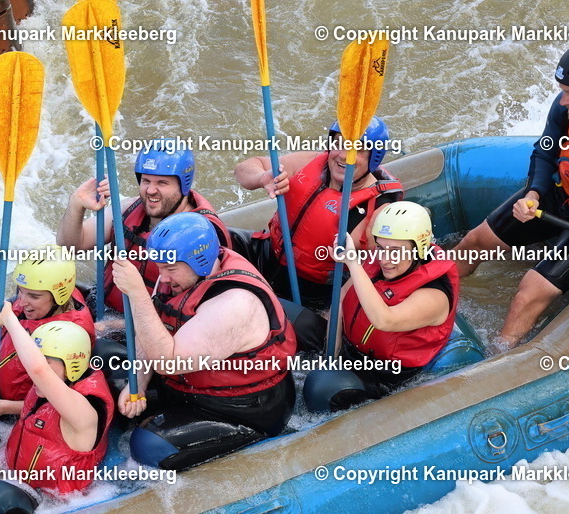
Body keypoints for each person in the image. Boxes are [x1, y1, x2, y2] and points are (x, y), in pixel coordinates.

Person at [454, 40, 569, 349]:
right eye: (563, 90)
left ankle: (498, 358)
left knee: (530, 290)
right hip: (564, 194)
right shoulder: (566, 108)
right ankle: (434, 298)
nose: (564, 101)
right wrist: (534, 193)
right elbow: (545, 152)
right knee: (475, 241)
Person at [109, 212, 297, 471]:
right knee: (111, 373)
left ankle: (252, 438)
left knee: (150, 446)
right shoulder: (178, 277)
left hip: (242, 409)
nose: (162, 277)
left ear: (199, 261)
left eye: (170, 269)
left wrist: (137, 293)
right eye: (160, 267)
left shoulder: (235, 303)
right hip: (187, 389)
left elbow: (167, 362)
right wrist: (138, 384)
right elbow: (151, 325)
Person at [302, 201, 459, 411]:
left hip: (383, 374)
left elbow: (385, 320)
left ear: (418, 249)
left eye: (396, 251)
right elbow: (341, 299)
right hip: (351, 349)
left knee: (319, 386)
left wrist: (352, 261)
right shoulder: (383, 259)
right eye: (381, 248)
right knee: (283, 317)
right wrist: (331, 353)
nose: (385, 260)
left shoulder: (434, 295)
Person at [233, 117, 403, 307]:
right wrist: (262, 177)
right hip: (267, 254)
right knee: (214, 234)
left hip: (314, 295)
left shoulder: (380, 210)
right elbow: (242, 170)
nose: (344, 156)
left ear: (374, 158)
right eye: (340, 144)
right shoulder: (313, 161)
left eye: (358, 150)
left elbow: (391, 268)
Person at [57, 140, 232, 313]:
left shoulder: (200, 234)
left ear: (183, 185)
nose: (150, 190)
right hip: (103, 306)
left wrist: (116, 327)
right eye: (146, 180)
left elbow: (189, 312)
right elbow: (70, 247)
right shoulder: (129, 208)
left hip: (145, 329)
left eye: (162, 183)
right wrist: (76, 204)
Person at [0, 316, 114, 514]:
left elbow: (39, 371)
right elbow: (37, 422)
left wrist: (9, 319)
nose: (33, 368)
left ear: (71, 364)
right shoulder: (57, 383)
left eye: (45, 361)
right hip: (17, 478)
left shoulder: (85, 410)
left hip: (52, 506)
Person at [0, 246, 95, 418]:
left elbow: (66, 401)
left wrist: (5, 408)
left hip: (11, 412)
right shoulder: (28, 299)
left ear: (60, 295)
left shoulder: (71, 336)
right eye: (20, 290)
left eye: (34, 296)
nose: (22, 301)